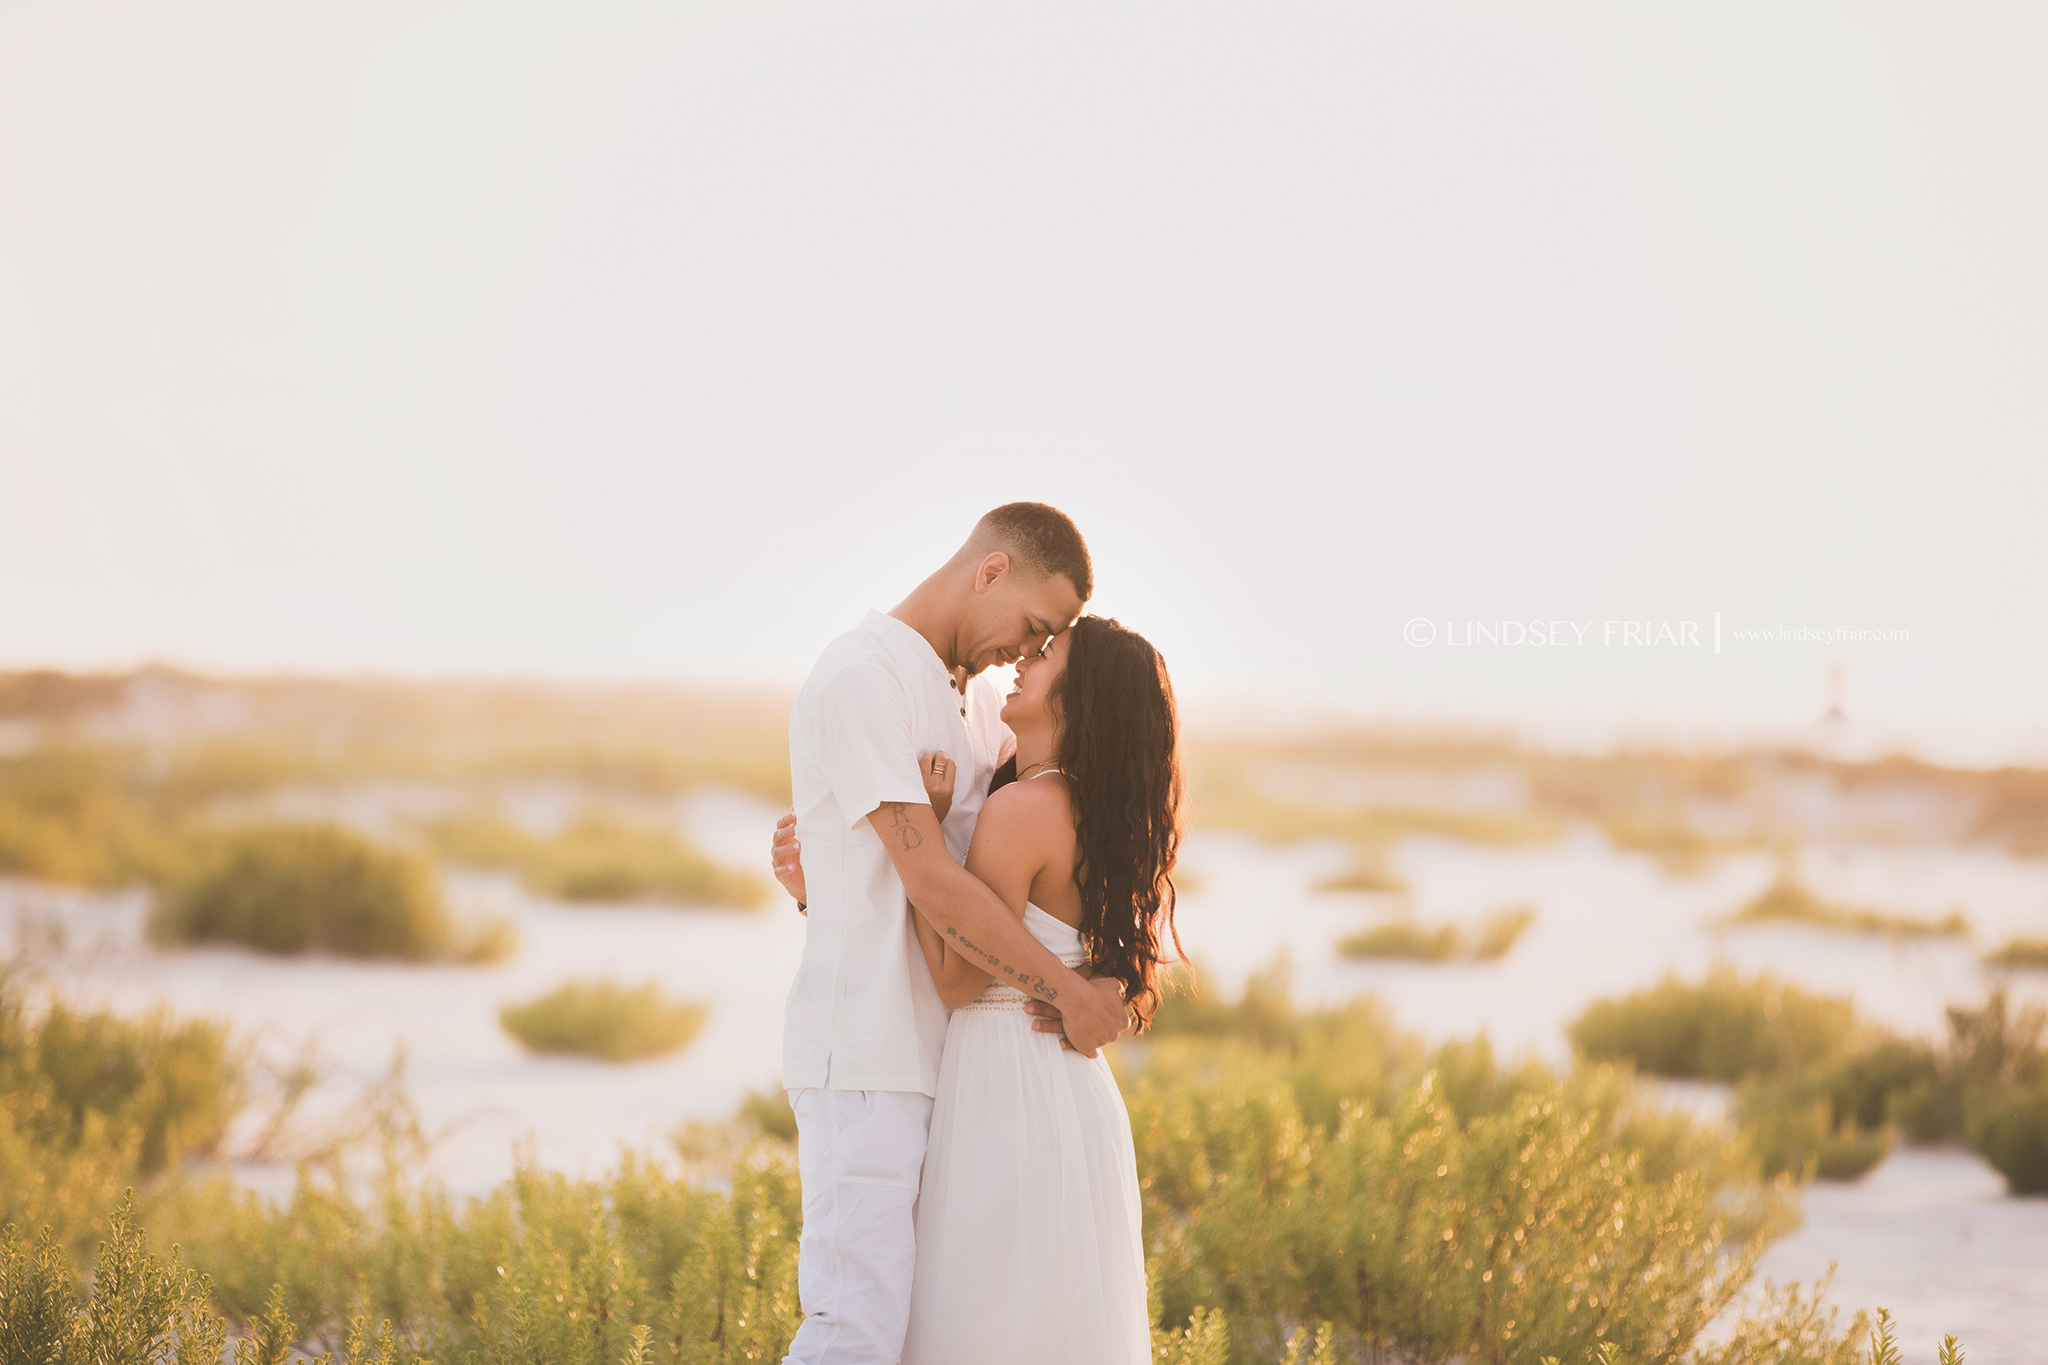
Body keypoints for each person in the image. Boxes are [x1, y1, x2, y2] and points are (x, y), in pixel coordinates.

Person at [773, 503, 1131, 1365]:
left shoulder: (976, 703)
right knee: (853, 1325)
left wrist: (820, 890)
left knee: (927, 1338)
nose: (1030, 652)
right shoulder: (863, 676)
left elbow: (995, 874)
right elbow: (931, 878)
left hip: (958, 1067)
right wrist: (1070, 991)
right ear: (991, 570)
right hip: (867, 1058)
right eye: (1035, 627)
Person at [899, 615, 1181, 1364]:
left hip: (1008, 1088)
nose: (1026, 660)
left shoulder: (1021, 809)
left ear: (1078, 693)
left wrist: (924, 841)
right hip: (1068, 1096)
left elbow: (958, 980)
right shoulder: (1093, 813)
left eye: (1048, 653)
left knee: (981, 1325)